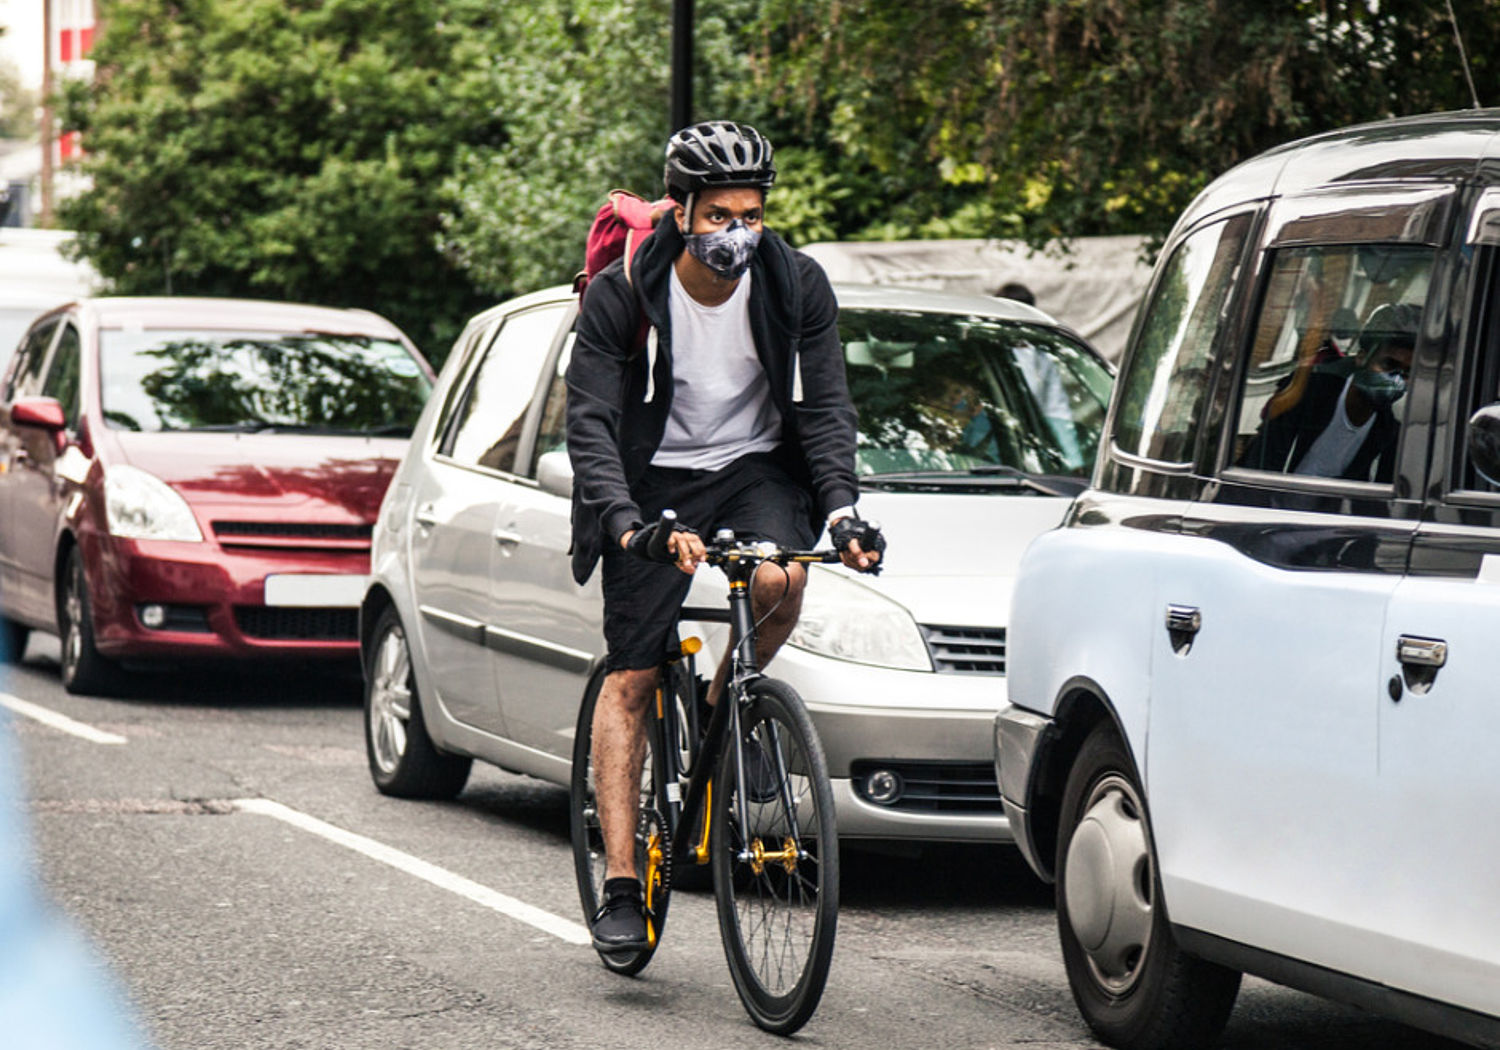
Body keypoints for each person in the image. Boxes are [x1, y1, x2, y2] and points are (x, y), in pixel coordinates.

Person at [565, 121, 885, 953]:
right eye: (719, 216)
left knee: (782, 579)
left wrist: (842, 509)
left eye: (752, 214)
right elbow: (590, 421)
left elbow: (826, 406)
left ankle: (726, 711)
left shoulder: (794, 283)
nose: (737, 232)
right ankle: (623, 884)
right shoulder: (626, 292)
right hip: (650, 478)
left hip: (752, 467)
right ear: (681, 212)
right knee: (632, 675)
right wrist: (625, 525)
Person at [1240, 302, 1419, 483]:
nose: (1396, 380)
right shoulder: (1306, 392)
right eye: (1388, 365)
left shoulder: (1389, 430)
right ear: (1362, 358)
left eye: (1407, 373)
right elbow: (1259, 468)